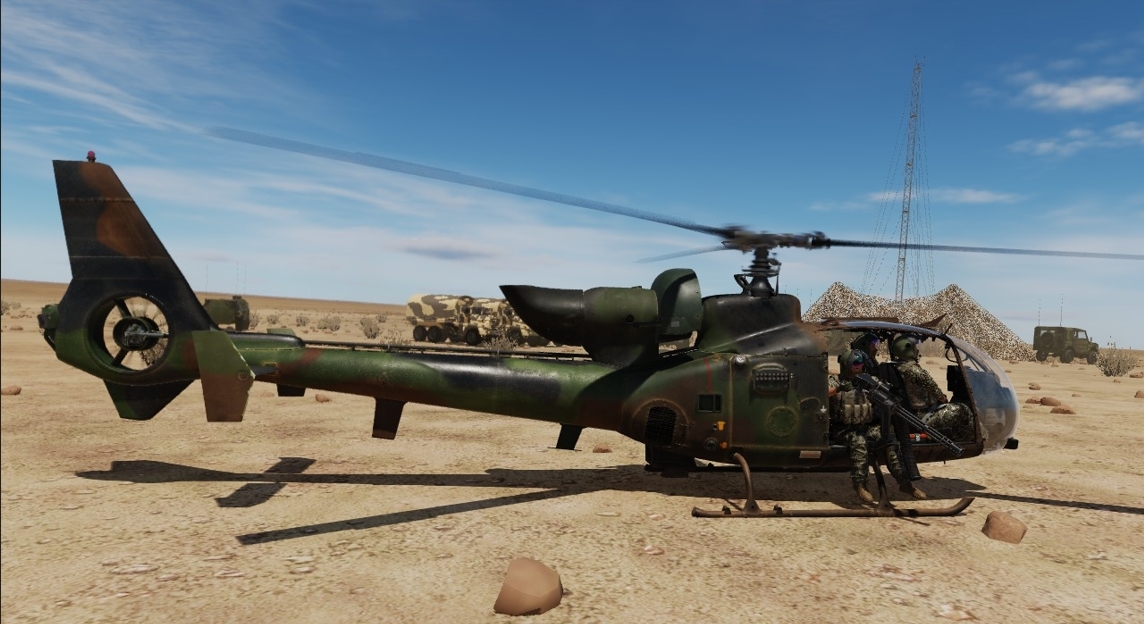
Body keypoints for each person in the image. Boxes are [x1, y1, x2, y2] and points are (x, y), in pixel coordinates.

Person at [830, 349, 926, 503]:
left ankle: (905, 483)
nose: (859, 367)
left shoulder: (869, 379)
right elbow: (822, 393)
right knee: (859, 442)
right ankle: (860, 485)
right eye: (855, 364)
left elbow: (885, 390)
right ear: (846, 366)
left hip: (866, 426)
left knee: (889, 440)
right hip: (843, 429)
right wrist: (839, 389)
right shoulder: (835, 380)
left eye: (860, 364)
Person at [889, 335, 974, 439]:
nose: (917, 349)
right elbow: (940, 396)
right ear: (908, 349)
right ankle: (969, 440)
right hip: (921, 418)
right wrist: (942, 399)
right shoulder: (915, 371)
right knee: (963, 409)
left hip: (905, 416)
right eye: (915, 347)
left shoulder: (892, 367)